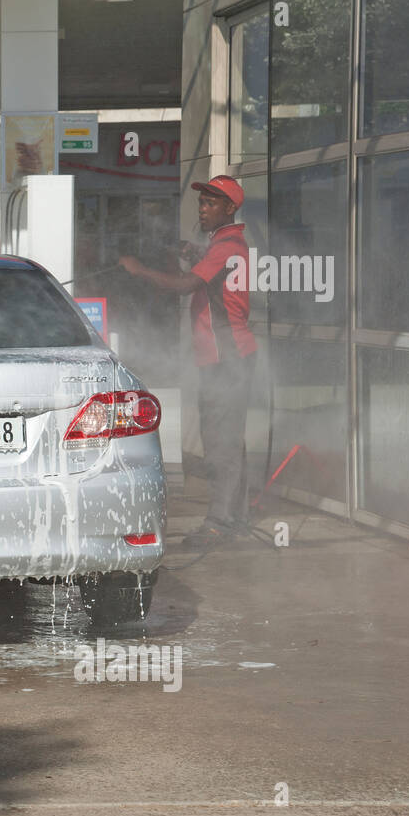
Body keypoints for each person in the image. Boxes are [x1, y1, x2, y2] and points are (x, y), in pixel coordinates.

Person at [119, 174, 257, 551]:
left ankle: (219, 523)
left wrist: (139, 271)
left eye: (212, 202)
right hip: (226, 356)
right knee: (228, 441)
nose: (203, 207)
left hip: (227, 358)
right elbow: (210, 271)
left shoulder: (226, 245)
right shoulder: (226, 243)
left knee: (220, 444)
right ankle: (236, 517)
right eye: (202, 201)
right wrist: (190, 252)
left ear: (230, 208)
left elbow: (185, 286)